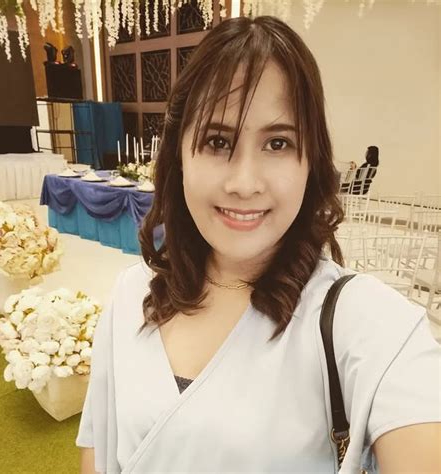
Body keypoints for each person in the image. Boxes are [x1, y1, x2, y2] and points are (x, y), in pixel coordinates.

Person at [76, 16, 440, 473]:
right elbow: (98, 450)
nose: (244, 183)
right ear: (178, 155)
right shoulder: (132, 295)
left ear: (311, 162)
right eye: (217, 141)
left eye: (278, 143)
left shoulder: (361, 321)